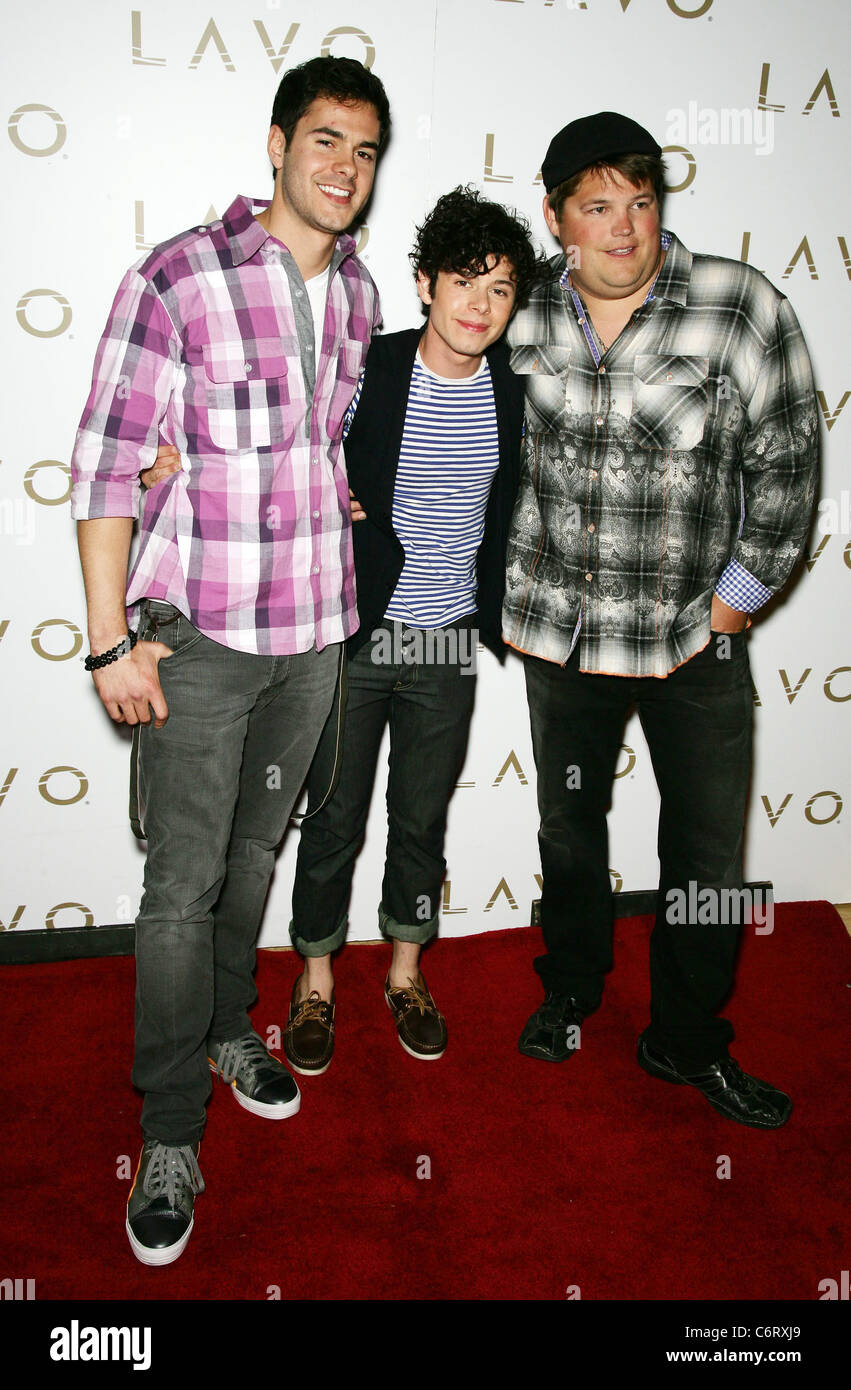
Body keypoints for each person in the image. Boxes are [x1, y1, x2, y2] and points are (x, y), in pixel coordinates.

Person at [70, 55, 390, 1265]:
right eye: (323, 140)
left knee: (256, 855)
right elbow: (107, 464)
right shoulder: (179, 277)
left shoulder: (356, 296)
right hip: (199, 646)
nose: (342, 168)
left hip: (313, 640)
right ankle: (166, 1128)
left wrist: (334, 501)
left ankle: (225, 1024)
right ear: (274, 144)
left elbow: (313, 443)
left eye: (363, 149)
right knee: (177, 890)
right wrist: (110, 641)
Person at [506, 112, 818, 1128]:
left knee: (709, 859)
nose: (622, 229)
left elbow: (786, 470)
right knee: (567, 826)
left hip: (694, 643)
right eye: (595, 207)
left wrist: (730, 606)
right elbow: (455, 423)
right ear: (554, 218)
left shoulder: (739, 307)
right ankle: (571, 987)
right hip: (563, 641)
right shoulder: (518, 313)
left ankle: (686, 1040)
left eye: (638, 203)